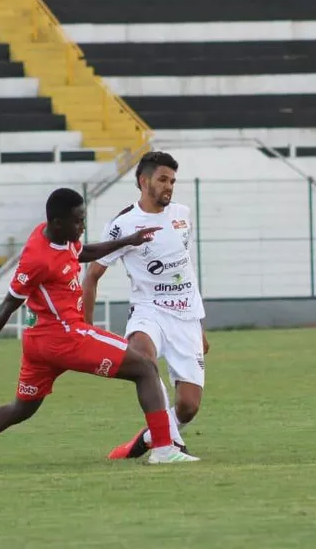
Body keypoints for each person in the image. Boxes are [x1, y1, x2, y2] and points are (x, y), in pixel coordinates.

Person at [0, 187, 200, 467]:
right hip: (66, 337)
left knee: (21, 408)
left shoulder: (59, 236)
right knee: (145, 368)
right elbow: (9, 303)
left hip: (39, 344)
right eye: (78, 221)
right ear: (58, 223)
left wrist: (128, 241)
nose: (82, 226)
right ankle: (163, 448)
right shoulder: (37, 259)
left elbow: (84, 252)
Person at [82, 151, 209, 460]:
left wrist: (199, 325)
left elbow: (185, 269)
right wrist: (83, 329)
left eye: (173, 181)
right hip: (148, 310)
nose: (169, 186)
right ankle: (168, 446)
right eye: (163, 179)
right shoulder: (122, 225)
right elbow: (91, 276)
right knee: (145, 361)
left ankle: (149, 438)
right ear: (143, 181)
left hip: (186, 315)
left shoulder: (182, 214)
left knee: (189, 407)